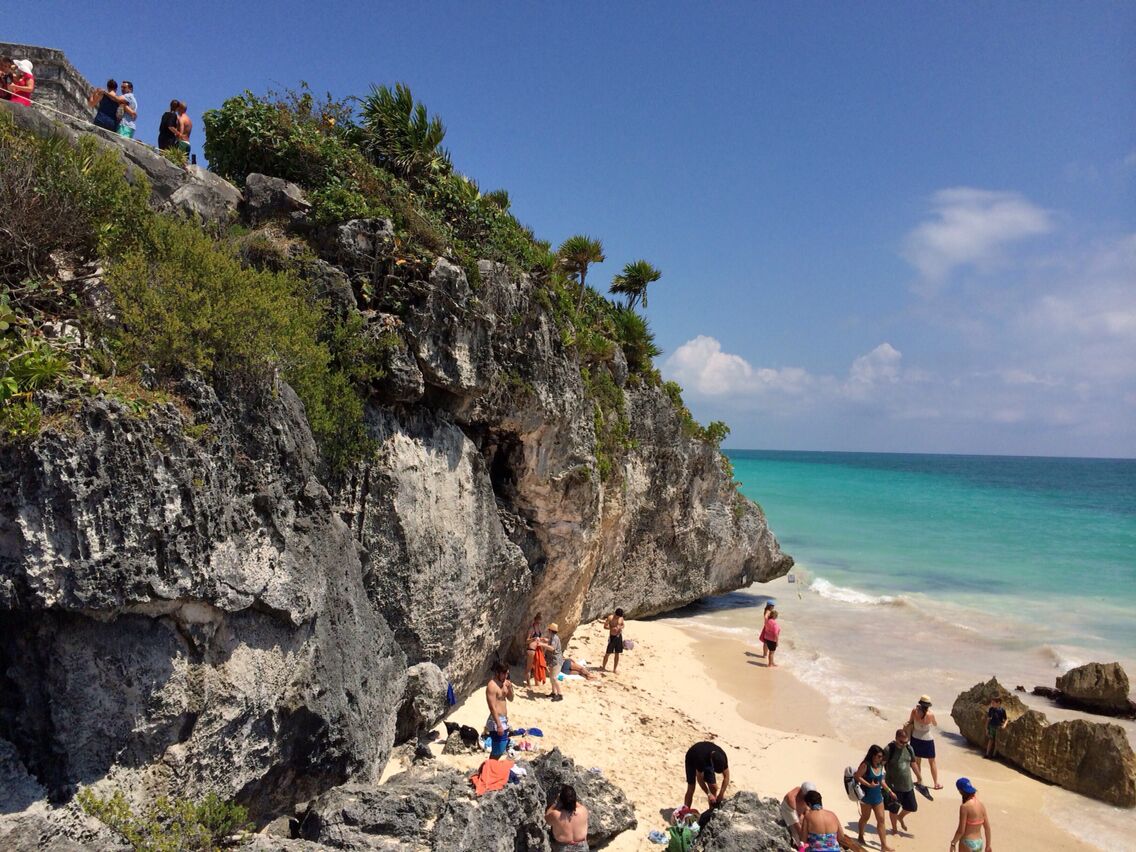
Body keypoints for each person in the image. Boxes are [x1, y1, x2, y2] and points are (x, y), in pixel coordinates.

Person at [854, 745, 895, 852]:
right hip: (866, 797)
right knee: (865, 818)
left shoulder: (880, 765)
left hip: (877, 797)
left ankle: (884, 845)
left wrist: (890, 791)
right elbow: (857, 776)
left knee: (881, 820)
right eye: (879, 756)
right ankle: (861, 835)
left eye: (882, 757)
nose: (881, 759)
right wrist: (868, 784)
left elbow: (881, 781)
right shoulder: (865, 765)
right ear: (873, 755)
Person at [800, 789, 866, 851]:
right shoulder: (832, 815)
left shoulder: (808, 817)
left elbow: (803, 841)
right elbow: (841, 838)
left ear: (809, 804)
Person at [884, 728, 921, 836]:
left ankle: (901, 817)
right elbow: (881, 764)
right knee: (894, 809)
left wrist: (919, 776)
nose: (904, 744)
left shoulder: (909, 748)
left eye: (906, 742)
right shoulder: (889, 749)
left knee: (912, 807)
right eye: (901, 742)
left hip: (908, 785)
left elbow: (913, 763)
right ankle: (894, 829)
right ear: (896, 739)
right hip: (893, 786)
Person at [906, 694, 941, 789]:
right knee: (932, 761)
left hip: (916, 737)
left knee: (917, 761)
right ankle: (936, 783)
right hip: (927, 739)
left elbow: (910, 721)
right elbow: (935, 724)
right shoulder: (930, 714)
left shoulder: (914, 711)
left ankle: (919, 780)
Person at [683, 741, 729, 810]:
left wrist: (721, 794)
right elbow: (699, 779)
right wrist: (708, 794)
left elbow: (726, 776)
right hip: (692, 756)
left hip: (708, 756)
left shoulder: (722, 757)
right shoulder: (700, 759)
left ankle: (711, 810)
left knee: (713, 788)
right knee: (691, 787)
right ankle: (685, 810)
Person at [950, 777, 991, 852]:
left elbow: (961, 831)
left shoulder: (965, 807)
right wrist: (988, 845)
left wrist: (953, 843)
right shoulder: (981, 805)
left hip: (967, 843)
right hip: (979, 843)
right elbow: (987, 828)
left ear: (960, 791)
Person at [545, 784, 590, 852]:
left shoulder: (556, 815)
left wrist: (555, 804)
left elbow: (546, 818)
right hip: (582, 847)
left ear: (561, 800)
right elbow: (577, 805)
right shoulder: (583, 810)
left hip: (562, 848)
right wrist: (572, 800)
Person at [484, 661, 513, 758]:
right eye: (503, 673)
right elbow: (492, 707)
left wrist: (510, 688)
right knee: (498, 749)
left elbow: (511, 699)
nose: (505, 676)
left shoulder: (505, 683)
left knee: (501, 748)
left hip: (504, 719)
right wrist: (499, 725)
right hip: (496, 720)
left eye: (507, 673)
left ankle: (490, 768)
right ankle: (488, 769)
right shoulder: (492, 686)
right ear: (497, 673)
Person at [779, 780, 817, 847]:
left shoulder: (802, 791)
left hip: (800, 814)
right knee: (800, 839)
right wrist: (804, 839)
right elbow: (795, 822)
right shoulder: (791, 800)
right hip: (789, 814)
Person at [539, 623, 564, 701]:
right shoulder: (553, 637)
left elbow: (552, 648)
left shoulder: (554, 638)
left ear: (550, 630)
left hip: (556, 660)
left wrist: (542, 644)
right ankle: (553, 693)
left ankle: (560, 695)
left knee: (554, 678)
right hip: (553, 660)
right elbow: (549, 641)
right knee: (552, 678)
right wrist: (544, 640)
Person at [525, 612, 544, 687]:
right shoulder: (531, 629)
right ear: (535, 620)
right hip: (531, 650)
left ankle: (536, 683)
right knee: (529, 668)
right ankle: (528, 684)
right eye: (537, 621)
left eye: (539, 621)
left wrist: (542, 640)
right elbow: (526, 641)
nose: (538, 622)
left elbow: (539, 639)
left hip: (537, 650)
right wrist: (534, 638)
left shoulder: (538, 628)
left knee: (536, 667)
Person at [602, 608, 624, 672]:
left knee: (617, 653)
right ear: (615, 614)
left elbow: (623, 625)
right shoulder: (610, 618)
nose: (618, 618)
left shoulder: (621, 618)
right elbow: (605, 626)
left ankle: (614, 669)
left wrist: (620, 627)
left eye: (619, 616)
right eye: (617, 616)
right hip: (612, 637)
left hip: (619, 636)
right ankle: (603, 667)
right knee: (608, 653)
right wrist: (611, 628)